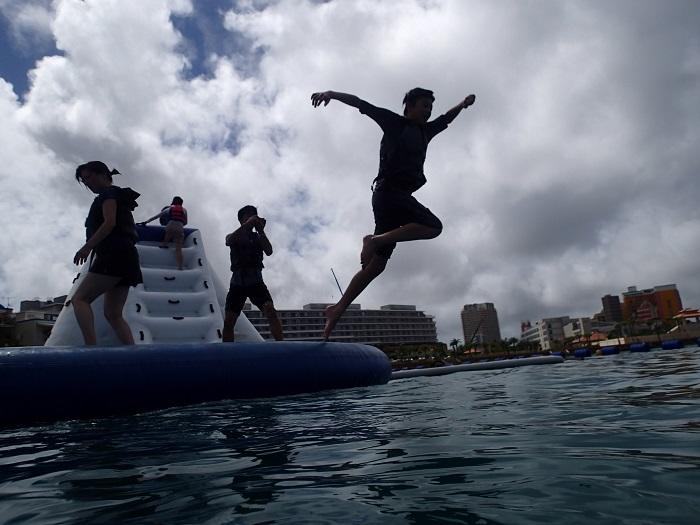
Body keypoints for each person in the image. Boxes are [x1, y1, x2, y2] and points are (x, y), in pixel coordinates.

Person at [311, 87, 476, 339]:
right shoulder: (393, 122)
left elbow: (446, 118)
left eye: (430, 106)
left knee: (376, 267)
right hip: (389, 193)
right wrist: (331, 94)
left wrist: (463, 104)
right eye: (424, 105)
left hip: (393, 199)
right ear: (409, 106)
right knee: (433, 227)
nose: (428, 110)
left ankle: (337, 309)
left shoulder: (426, 131)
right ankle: (374, 240)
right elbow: (360, 102)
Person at [72, 161, 143, 345]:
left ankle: (91, 347)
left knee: (79, 299)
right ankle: (133, 354)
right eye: (84, 180)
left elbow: (109, 222)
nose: (87, 183)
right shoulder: (118, 195)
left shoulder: (109, 194)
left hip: (114, 255)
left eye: (89, 177)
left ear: (104, 174)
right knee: (113, 314)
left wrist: (87, 247)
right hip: (128, 258)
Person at [222, 205, 283, 342]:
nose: (252, 218)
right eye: (248, 215)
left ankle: (281, 345)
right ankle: (226, 352)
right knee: (229, 321)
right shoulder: (234, 235)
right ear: (241, 220)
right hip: (237, 282)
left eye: (253, 215)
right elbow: (229, 241)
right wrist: (248, 224)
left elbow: (269, 251)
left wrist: (261, 230)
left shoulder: (258, 237)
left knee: (271, 311)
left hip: (256, 281)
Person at [142, 196, 188, 270]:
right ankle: (180, 267)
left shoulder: (169, 208)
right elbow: (185, 222)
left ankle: (164, 244)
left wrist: (146, 222)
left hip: (170, 225)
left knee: (167, 236)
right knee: (178, 249)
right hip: (180, 227)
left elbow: (157, 216)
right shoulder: (184, 210)